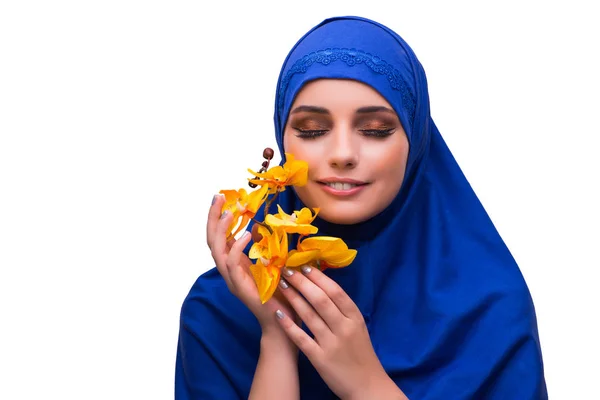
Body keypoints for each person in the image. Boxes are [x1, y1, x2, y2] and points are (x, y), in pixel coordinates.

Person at [175, 16, 547, 399]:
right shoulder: (218, 310)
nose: (342, 154)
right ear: (283, 139)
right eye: (312, 130)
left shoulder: (489, 307)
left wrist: (367, 386)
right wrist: (277, 340)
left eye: (374, 130)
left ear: (415, 140)